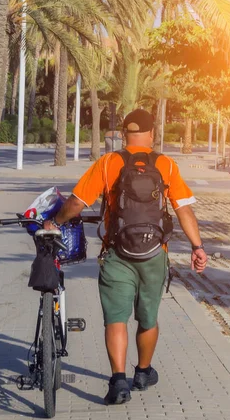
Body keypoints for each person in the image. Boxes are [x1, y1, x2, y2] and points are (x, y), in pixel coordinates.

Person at [44, 108, 207, 405]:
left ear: (123, 134)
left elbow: (77, 203)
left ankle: (118, 382)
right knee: (148, 318)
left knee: (116, 318)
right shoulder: (166, 165)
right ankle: (143, 372)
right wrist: (197, 247)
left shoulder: (109, 163)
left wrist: (55, 222)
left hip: (117, 252)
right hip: (155, 255)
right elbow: (184, 209)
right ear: (152, 134)